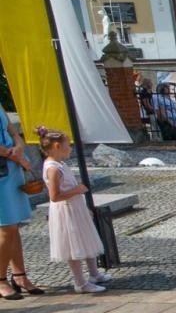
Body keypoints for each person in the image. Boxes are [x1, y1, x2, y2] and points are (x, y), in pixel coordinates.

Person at [37, 127, 102, 294]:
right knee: (73, 245)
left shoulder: (60, 164)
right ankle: (80, 282)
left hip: (74, 207)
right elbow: (54, 195)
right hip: (65, 210)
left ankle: (94, 274)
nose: (70, 148)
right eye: (68, 145)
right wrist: (77, 190)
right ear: (57, 146)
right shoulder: (53, 168)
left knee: (84, 237)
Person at [0, 115, 39, 301]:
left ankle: (20, 275)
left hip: (12, 166)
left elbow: (13, 131)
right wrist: (11, 154)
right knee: (7, 227)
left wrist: (19, 146)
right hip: (4, 166)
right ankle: (0, 279)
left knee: (14, 225)